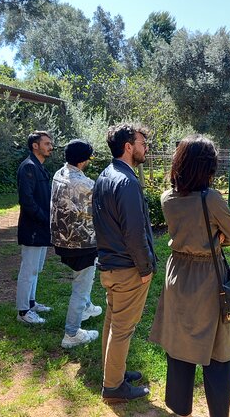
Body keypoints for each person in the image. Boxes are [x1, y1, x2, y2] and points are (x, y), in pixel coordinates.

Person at [150, 135, 230, 417]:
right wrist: (217, 238)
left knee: (179, 343)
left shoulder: (168, 198)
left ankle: (179, 407)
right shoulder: (211, 199)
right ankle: (218, 411)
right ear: (208, 167)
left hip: (177, 272)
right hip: (207, 275)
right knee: (218, 348)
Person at [93, 123, 157, 403]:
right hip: (127, 269)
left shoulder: (105, 175)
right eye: (142, 142)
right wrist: (145, 268)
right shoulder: (127, 181)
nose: (146, 147)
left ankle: (113, 374)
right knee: (122, 329)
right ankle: (113, 387)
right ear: (128, 146)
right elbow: (135, 232)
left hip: (109, 266)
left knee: (112, 322)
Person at [50, 139, 103, 349]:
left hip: (61, 239)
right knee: (82, 285)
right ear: (83, 160)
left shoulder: (58, 174)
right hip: (82, 244)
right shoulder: (86, 185)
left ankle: (87, 307)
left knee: (81, 281)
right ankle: (71, 333)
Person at [16, 130, 54, 324]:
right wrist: (43, 218)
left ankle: (31, 302)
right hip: (32, 228)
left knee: (36, 269)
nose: (50, 147)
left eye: (50, 143)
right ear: (35, 146)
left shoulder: (39, 167)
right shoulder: (28, 167)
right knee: (28, 270)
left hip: (41, 228)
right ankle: (23, 312)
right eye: (46, 143)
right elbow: (27, 200)